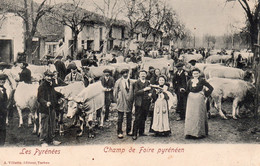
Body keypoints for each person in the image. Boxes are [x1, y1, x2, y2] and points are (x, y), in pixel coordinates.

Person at [184, 68, 213, 139]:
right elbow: (187, 90)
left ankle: (199, 133)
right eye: (194, 74)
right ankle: (189, 133)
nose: (195, 75)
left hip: (199, 100)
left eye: (197, 73)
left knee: (198, 115)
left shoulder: (202, 80)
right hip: (191, 99)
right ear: (192, 74)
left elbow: (211, 88)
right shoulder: (189, 81)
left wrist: (205, 94)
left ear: (199, 74)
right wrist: (183, 91)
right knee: (190, 115)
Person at [37, 71, 61, 146]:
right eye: (48, 76)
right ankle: (43, 141)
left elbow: (54, 93)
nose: (50, 78)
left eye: (51, 76)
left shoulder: (51, 85)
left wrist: (62, 96)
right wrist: (45, 102)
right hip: (45, 109)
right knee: (44, 125)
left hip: (52, 108)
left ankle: (52, 139)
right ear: (44, 77)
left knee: (52, 124)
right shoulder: (42, 86)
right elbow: (39, 98)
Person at [114, 69, 134, 139]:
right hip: (121, 100)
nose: (125, 74)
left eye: (126, 73)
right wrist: (117, 100)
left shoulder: (131, 82)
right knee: (120, 117)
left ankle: (128, 131)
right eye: (124, 73)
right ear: (121, 74)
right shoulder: (118, 82)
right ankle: (119, 132)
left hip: (129, 101)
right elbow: (115, 92)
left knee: (129, 116)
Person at [132, 70, 152, 140]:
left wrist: (150, 93)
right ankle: (134, 133)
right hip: (139, 102)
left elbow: (150, 90)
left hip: (146, 102)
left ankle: (141, 132)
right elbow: (136, 92)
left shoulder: (147, 82)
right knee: (137, 118)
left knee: (144, 117)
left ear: (146, 75)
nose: (143, 75)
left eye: (144, 74)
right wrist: (144, 89)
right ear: (139, 75)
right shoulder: (136, 82)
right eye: (141, 74)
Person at [0, 74, 8, 146]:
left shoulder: (4, 90)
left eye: (4, 80)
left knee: (2, 130)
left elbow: (5, 102)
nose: (2, 81)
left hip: (3, 115)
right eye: (1, 80)